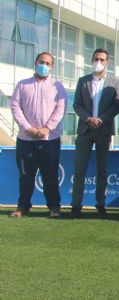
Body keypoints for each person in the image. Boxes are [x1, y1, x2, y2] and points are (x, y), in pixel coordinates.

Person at [9, 52, 66, 218]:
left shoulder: (58, 86)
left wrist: (47, 128)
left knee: (50, 176)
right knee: (26, 175)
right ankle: (23, 208)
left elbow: (60, 109)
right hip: (26, 139)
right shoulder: (22, 85)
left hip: (50, 140)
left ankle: (54, 207)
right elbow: (15, 107)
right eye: (42, 62)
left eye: (48, 63)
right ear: (35, 63)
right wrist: (28, 128)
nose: (44, 65)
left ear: (52, 66)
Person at [70, 48, 119, 218]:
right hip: (85, 130)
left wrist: (101, 119)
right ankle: (76, 205)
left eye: (102, 59)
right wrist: (88, 119)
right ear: (91, 60)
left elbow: (117, 105)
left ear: (108, 62)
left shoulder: (114, 82)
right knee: (80, 169)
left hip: (104, 130)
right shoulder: (83, 81)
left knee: (102, 170)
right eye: (96, 59)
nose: (98, 62)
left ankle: (100, 204)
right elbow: (76, 104)